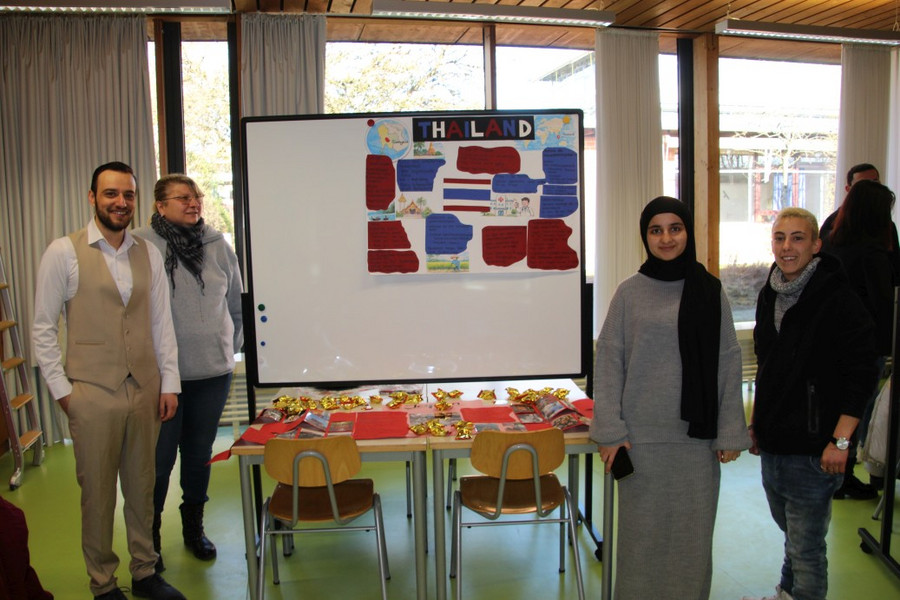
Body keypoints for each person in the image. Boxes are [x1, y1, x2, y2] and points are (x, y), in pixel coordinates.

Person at [31, 162, 186, 600]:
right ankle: (102, 583)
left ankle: (145, 571)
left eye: (128, 195)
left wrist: (169, 383)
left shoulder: (147, 253)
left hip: (145, 388)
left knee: (142, 486)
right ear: (92, 198)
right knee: (97, 494)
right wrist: (64, 393)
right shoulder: (63, 252)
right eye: (111, 194)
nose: (121, 202)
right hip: (91, 392)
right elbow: (42, 328)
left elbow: (161, 322)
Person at [590, 196, 750, 599]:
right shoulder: (629, 293)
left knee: (690, 545)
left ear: (687, 232)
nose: (666, 238)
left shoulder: (710, 290)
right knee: (640, 545)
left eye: (675, 228)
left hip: (695, 445)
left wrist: (731, 431)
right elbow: (608, 361)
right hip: (640, 443)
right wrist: (610, 431)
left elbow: (728, 360)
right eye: (655, 230)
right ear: (645, 236)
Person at [744, 207, 877, 600]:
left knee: (806, 548)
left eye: (798, 238)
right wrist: (758, 425)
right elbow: (767, 367)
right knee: (793, 534)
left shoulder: (839, 298)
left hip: (817, 448)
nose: (787, 247)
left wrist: (840, 441)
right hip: (774, 443)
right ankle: (787, 592)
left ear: (817, 245)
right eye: (780, 238)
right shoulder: (769, 292)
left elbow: (862, 373)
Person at [134, 173, 243, 571]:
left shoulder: (217, 245)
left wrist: (227, 347)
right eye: (183, 197)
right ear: (160, 206)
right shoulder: (141, 245)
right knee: (159, 462)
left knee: (198, 457)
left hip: (212, 374)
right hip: (163, 379)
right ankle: (150, 541)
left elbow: (235, 305)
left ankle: (194, 529)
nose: (193, 202)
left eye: (196, 196)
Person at [821, 180, 897, 499]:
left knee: (836, 406)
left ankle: (835, 473)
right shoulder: (872, 253)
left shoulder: (830, 244)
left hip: (831, 340)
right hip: (863, 345)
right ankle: (845, 475)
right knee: (858, 409)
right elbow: (883, 305)